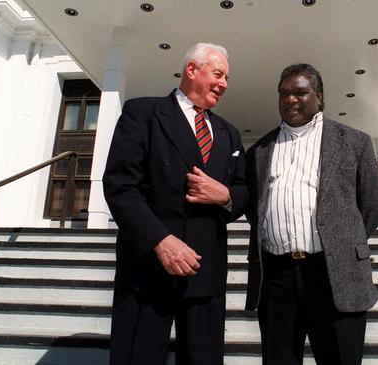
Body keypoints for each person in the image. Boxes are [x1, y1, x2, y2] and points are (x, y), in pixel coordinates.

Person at [103, 42, 247, 365]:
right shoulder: (142, 114)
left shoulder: (229, 133)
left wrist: (223, 194)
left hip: (206, 274)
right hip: (149, 272)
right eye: (219, 74)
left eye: (227, 78)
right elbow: (119, 186)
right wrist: (161, 241)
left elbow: (244, 192)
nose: (224, 84)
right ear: (191, 70)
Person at [244, 63, 378, 365]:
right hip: (277, 277)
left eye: (300, 93)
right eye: (283, 94)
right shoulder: (260, 150)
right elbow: (255, 209)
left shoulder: (354, 142)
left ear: (319, 97)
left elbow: (373, 204)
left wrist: (342, 241)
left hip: (334, 274)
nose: (290, 100)